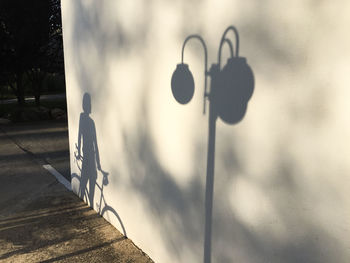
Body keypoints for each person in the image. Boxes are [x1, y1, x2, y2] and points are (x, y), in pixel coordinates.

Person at [77, 92, 101, 207]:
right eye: (88, 103)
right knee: (87, 179)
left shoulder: (91, 122)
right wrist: (79, 150)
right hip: (88, 155)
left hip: (90, 155)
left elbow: (95, 143)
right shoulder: (84, 118)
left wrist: (99, 163)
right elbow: (80, 135)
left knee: (89, 178)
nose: (89, 105)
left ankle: (90, 202)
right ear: (85, 105)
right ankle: (87, 201)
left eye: (89, 103)